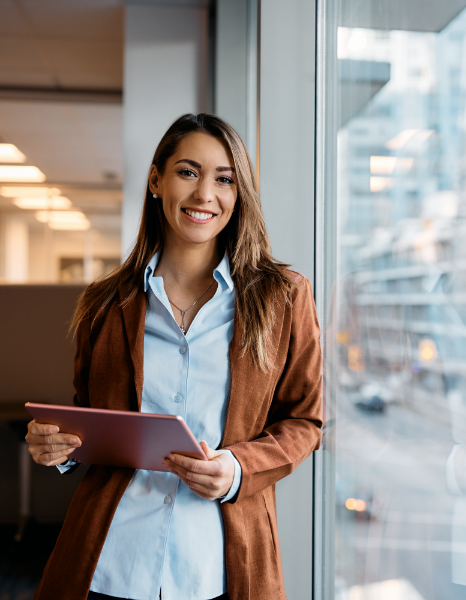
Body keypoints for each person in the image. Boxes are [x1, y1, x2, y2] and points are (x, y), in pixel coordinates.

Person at [25, 113, 323, 600]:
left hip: (219, 567)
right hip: (111, 563)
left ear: (238, 191)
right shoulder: (105, 304)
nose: (205, 194)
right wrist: (58, 449)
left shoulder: (284, 298)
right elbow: (90, 418)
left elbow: (305, 421)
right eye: (188, 172)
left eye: (224, 179)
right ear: (156, 180)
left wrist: (238, 469)